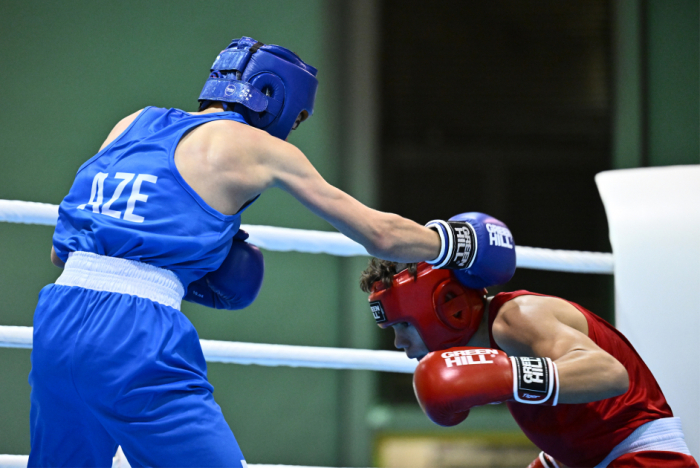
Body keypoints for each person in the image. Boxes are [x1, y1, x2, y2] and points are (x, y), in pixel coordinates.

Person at [29, 37, 517, 467]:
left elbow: (61, 251)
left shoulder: (133, 123)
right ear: (273, 97)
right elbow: (379, 235)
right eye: (299, 117)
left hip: (57, 317)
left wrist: (182, 264)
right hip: (135, 334)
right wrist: (457, 244)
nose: (294, 127)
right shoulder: (256, 147)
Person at [360, 254, 698, 468]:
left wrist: (508, 375)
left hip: (644, 458)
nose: (399, 343)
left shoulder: (517, 316)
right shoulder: (487, 345)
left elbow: (609, 374)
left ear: (445, 305)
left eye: (403, 324)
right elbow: (574, 420)